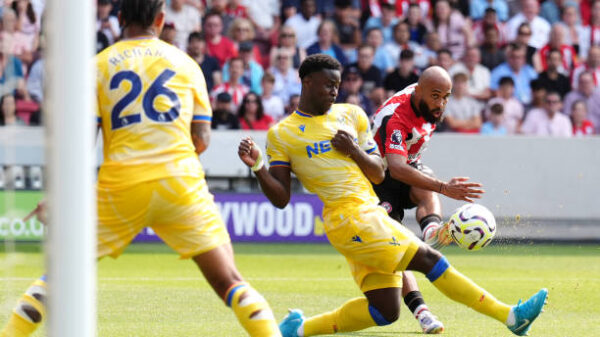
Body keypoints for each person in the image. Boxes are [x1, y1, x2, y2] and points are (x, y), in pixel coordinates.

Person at [0, 2, 281, 336]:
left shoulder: (96, 66)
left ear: (120, 20)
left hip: (122, 185)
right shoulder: (187, 64)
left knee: (59, 276)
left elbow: (81, 145)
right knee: (230, 282)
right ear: (160, 20)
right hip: (180, 182)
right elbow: (202, 137)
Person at [238, 54, 548, 337]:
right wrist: (259, 168)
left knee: (385, 310)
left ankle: (298, 330)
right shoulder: (283, 134)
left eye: (337, 85)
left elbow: (377, 173)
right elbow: (280, 198)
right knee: (430, 260)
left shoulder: (351, 115)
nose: (334, 91)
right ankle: (510, 317)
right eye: (327, 85)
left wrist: (354, 150)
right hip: (349, 216)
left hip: (366, 211)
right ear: (306, 82)